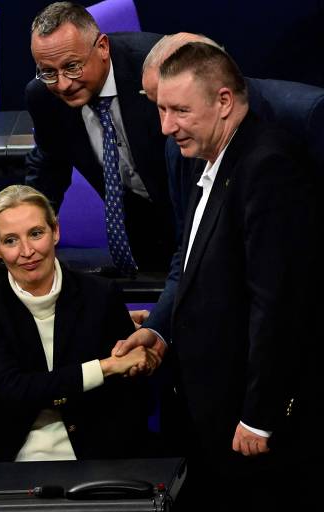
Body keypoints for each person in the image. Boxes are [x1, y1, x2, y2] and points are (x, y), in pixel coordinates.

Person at [152, 42, 315, 507]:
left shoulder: (268, 167)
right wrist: (161, 330)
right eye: (162, 110)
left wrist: (260, 415)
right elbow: (195, 268)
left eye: (180, 110)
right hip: (213, 412)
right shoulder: (209, 161)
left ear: (224, 102)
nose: (167, 127)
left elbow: (278, 304)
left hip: (253, 423)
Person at [0, 185, 158, 462]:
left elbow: (133, 396)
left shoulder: (101, 297)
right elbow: (11, 390)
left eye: (35, 233)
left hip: (101, 455)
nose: (27, 251)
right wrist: (106, 367)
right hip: (13, 456)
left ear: (55, 231)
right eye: (10, 240)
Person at [25, 2, 173, 274]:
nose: (62, 84)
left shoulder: (159, 69)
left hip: (197, 209)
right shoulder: (43, 97)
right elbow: (49, 166)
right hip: (141, 227)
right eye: (48, 72)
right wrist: (29, 223)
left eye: (72, 66)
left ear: (102, 47)